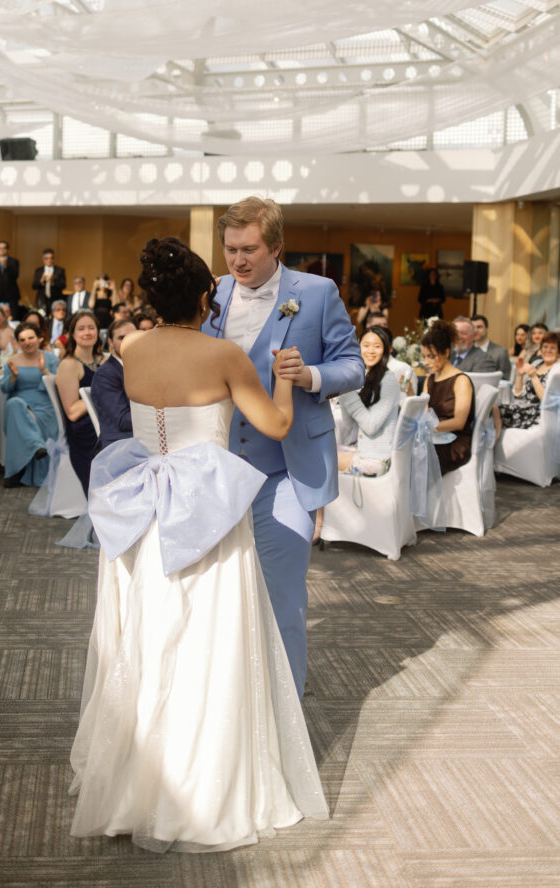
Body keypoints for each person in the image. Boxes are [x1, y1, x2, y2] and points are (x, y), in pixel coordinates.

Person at [69, 236, 328, 849]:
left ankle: (138, 782)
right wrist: (284, 379)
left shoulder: (130, 349)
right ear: (207, 296)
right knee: (207, 641)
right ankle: (199, 781)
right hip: (207, 517)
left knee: (147, 637)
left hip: (144, 513)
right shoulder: (225, 355)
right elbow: (277, 425)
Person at [203, 197, 364, 696]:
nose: (237, 260)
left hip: (287, 472)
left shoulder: (316, 292)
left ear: (276, 246)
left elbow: (353, 364)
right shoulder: (214, 292)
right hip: (219, 469)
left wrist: (310, 374)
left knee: (282, 594)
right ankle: (236, 703)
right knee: (219, 594)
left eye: (249, 249)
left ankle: (286, 712)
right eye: (230, 249)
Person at [0, 322, 59, 487]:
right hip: (21, 405)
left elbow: (60, 384)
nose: (27, 342)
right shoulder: (13, 361)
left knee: (20, 414)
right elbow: (3, 388)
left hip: (45, 404)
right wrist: (13, 377)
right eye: (23, 339)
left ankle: (17, 472)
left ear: (39, 338)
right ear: (18, 342)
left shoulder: (50, 358)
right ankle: (36, 447)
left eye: (31, 337)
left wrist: (44, 371)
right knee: (14, 404)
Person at [337, 327, 401, 476]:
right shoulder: (365, 376)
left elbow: (371, 426)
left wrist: (347, 392)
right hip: (360, 450)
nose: (370, 351)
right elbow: (348, 428)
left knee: (322, 458)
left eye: (377, 346)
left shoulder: (388, 380)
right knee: (320, 451)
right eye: (366, 345)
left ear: (385, 350)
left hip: (378, 459)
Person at [55, 310, 104, 494]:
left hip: (103, 420)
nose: (87, 333)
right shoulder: (69, 365)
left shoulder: (103, 359)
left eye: (91, 328)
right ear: (72, 334)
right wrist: (102, 393)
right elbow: (72, 412)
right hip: (84, 430)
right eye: (81, 328)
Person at [420, 319, 475, 475]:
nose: (426, 362)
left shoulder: (461, 380)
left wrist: (430, 428)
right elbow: (424, 413)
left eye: (431, 356)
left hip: (456, 442)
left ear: (446, 352)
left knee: (418, 457)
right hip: (434, 437)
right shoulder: (429, 380)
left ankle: (422, 499)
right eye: (424, 356)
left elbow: (459, 422)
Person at [90, 318, 136, 450]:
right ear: (110, 342)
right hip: (120, 445)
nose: (128, 341)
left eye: (132, 337)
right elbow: (122, 421)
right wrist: (159, 416)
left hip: (145, 437)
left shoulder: (142, 367)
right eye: (121, 338)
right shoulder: (105, 375)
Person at [499, 330, 559, 429]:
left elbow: (547, 401)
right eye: (545, 347)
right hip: (523, 406)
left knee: (496, 412)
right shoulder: (537, 363)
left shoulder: (557, 370)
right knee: (493, 408)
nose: (548, 350)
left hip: (539, 413)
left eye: (552, 348)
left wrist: (534, 377)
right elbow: (518, 394)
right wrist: (520, 375)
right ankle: (493, 439)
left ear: (558, 351)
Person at [471, 314, 511, 379]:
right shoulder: (467, 351)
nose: (475, 330)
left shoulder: (501, 352)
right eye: (472, 327)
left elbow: (506, 377)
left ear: (487, 328)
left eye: (479, 327)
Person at [0, 240, 20, 318]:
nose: (1, 250)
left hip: (11, 294)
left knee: (12, 317)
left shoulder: (14, 261)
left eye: (4, 248)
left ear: (7, 249)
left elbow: (15, 275)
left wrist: (6, 266)